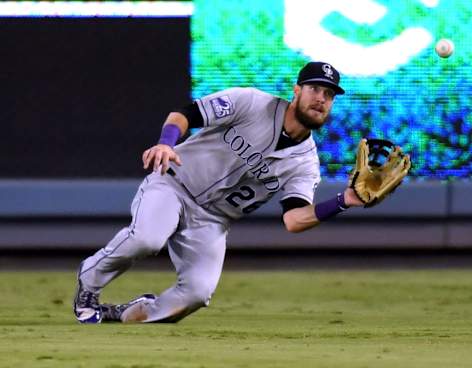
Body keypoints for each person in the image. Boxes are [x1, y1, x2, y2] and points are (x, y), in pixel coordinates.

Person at [74, 61, 364, 324]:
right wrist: (166, 143)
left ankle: (126, 314)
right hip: (174, 185)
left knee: (197, 294)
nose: (321, 99)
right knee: (148, 238)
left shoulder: (306, 164)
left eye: (329, 95)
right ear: (297, 90)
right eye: (315, 89)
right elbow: (185, 114)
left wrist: (344, 201)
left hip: (211, 221)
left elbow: (294, 220)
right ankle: (89, 283)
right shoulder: (252, 103)